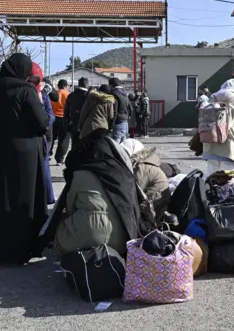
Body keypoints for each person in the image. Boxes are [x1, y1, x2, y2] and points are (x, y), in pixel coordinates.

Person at [0, 53, 50, 265]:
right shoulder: (26, 90)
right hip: (22, 154)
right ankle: (18, 250)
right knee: (20, 201)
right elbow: (41, 124)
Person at [54, 105, 140, 256]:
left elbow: (70, 207)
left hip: (84, 237)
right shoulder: (123, 174)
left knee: (60, 232)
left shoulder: (81, 174)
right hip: (122, 242)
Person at [202, 79, 234, 177]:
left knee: (210, 175)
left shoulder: (212, 98)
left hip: (210, 143)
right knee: (226, 178)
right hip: (228, 145)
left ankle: (205, 191)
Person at [122, 139, 169, 221]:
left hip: (153, 208)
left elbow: (133, 193)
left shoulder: (141, 167)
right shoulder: (142, 164)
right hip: (152, 203)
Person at [30, 63, 56, 204]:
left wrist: (47, 120)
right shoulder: (22, 92)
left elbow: (50, 114)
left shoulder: (43, 93)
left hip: (42, 135)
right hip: (28, 137)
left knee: (44, 167)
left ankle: (47, 197)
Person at [49, 79, 71, 165]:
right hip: (64, 118)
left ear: (58, 86)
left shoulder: (54, 94)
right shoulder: (68, 94)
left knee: (51, 137)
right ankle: (60, 159)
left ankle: (47, 154)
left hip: (53, 117)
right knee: (64, 139)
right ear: (66, 86)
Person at [64, 77, 89, 149]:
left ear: (79, 84)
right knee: (85, 146)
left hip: (74, 123)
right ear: (87, 85)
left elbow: (66, 111)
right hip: (86, 125)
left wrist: (67, 123)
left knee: (74, 145)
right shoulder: (89, 95)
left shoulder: (71, 95)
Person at [109, 77, 131, 143]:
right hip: (125, 122)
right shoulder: (125, 94)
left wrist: (111, 125)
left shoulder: (113, 94)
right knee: (124, 145)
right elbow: (130, 108)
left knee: (115, 146)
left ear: (111, 85)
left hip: (117, 123)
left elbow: (115, 111)